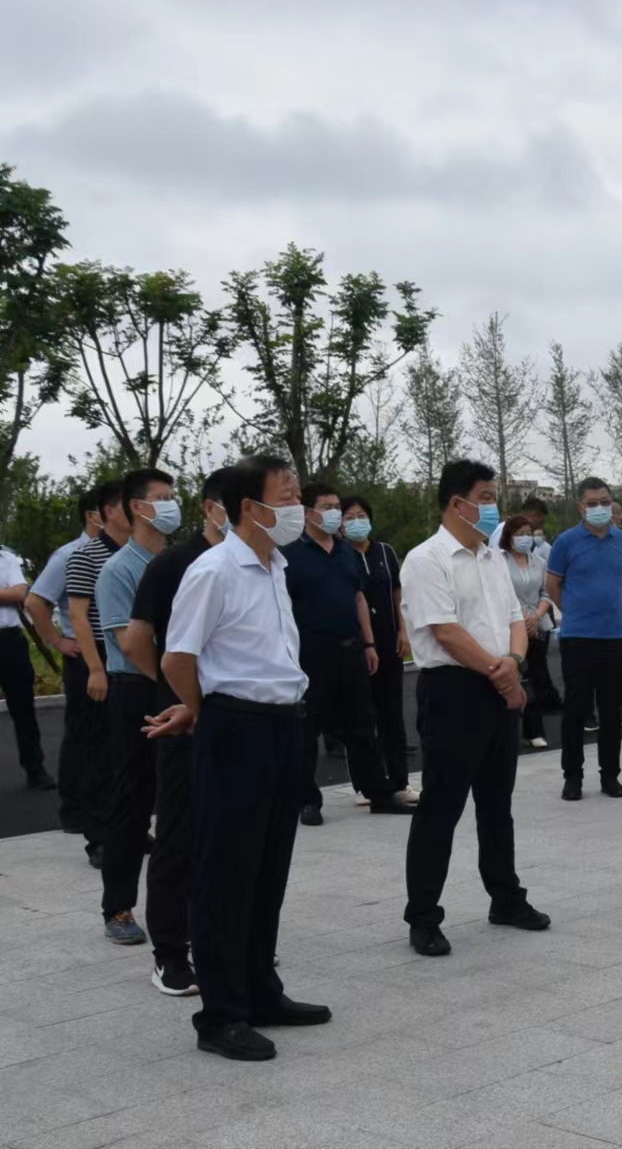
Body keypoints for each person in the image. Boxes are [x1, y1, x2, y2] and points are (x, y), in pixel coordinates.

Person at [144, 455, 332, 1063]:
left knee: (267, 866)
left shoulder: (275, 565)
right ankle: (220, 1014)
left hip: (283, 724)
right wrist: (204, 711)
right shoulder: (214, 569)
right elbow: (177, 657)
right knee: (226, 872)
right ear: (250, 507)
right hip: (236, 728)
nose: (299, 506)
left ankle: (259, 991)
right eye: (288, 495)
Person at [402, 459, 552, 956]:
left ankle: (505, 898)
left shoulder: (491, 558)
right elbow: (445, 631)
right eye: (485, 498)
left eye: (493, 497)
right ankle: (423, 916)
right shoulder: (426, 559)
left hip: (499, 685)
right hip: (453, 692)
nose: (494, 507)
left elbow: (515, 620)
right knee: (440, 808)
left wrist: (513, 663)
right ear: (457, 503)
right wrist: (501, 673)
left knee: (496, 805)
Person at [122, 467, 233, 997]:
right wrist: (181, 693)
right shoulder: (175, 563)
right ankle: (170, 952)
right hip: (185, 722)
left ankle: (223, 936)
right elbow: (136, 641)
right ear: (215, 508)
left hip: (240, 720)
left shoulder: (259, 564)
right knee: (180, 835)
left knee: (231, 836)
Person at [281, 484, 411, 824]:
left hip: (350, 648)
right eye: (327, 506)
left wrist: (369, 644)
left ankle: (378, 793)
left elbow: (358, 599)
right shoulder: (289, 555)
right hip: (310, 652)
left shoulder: (346, 553)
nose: (334, 513)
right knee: (308, 729)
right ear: (308, 512)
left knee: (362, 724)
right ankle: (307, 800)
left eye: (336, 506)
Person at [92, 468, 180, 946]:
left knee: (180, 801)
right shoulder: (119, 569)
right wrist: (175, 688)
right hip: (139, 690)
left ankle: (182, 905)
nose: (171, 504)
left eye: (173, 495)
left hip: (178, 688)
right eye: (161, 497)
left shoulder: (178, 560)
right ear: (137, 508)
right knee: (133, 802)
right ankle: (119, 907)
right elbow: (130, 643)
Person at [26, 485, 110, 825]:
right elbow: (35, 601)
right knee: (83, 732)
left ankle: (96, 806)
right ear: (93, 515)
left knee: (106, 735)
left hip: (112, 650)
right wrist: (57, 641)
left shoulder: (118, 552)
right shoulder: (70, 555)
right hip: (83, 652)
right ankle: (75, 809)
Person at [547, 478, 622, 800]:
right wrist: (575, 611)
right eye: (593, 503)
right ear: (580, 507)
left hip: (616, 637)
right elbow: (553, 584)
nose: (600, 508)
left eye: (605, 502)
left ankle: (610, 776)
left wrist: (609, 607)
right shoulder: (566, 542)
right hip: (578, 638)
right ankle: (573, 776)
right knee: (576, 710)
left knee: (611, 712)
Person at [59, 479, 130, 865]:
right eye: (128, 504)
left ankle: (132, 826)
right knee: (99, 752)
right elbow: (78, 615)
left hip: (135, 654)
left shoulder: (144, 552)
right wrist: (95, 669)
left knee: (133, 751)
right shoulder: (85, 555)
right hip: (101, 655)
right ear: (107, 511)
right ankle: (99, 837)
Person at [340, 496, 417, 795]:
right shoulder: (340, 554)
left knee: (392, 714)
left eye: (361, 515)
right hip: (356, 645)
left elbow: (398, 592)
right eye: (349, 517)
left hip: (389, 641)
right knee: (360, 717)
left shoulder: (385, 552)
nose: (356, 522)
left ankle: (400, 781)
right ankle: (365, 785)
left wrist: (403, 630)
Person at [0, 533, 51, 791]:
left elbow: (20, 592)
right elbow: (10, 593)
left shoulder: (6, 558)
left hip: (8, 641)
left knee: (23, 708)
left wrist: (11, 594)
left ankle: (35, 769)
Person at [500, 513, 554, 747]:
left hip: (538, 626)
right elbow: (499, 594)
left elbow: (546, 592)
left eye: (528, 534)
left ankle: (534, 731)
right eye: (519, 534)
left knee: (537, 678)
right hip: (511, 626)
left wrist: (537, 616)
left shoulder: (539, 562)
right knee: (512, 676)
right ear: (509, 537)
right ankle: (506, 729)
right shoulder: (499, 561)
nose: (525, 538)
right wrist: (520, 619)